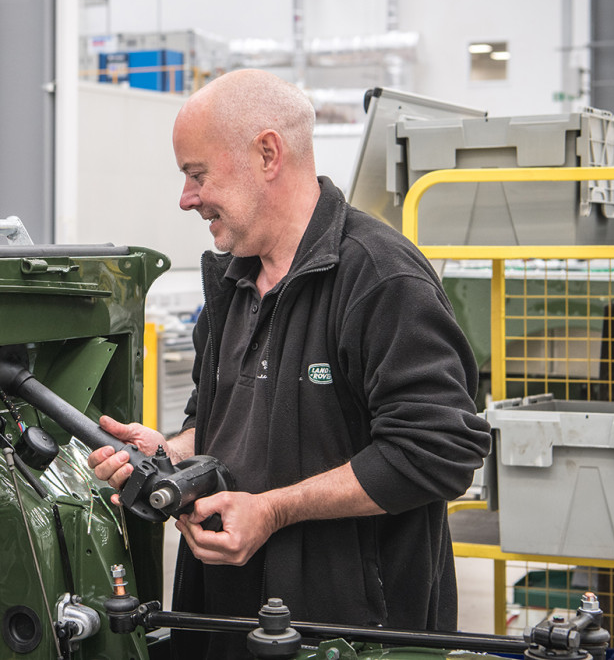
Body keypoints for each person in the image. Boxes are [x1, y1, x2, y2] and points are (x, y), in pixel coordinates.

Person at [88, 69, 491, 659]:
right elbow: (220, 422)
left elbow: (437, 452)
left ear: (267, 154)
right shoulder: (232, 285)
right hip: (228, 621)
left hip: (349, 637)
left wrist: (272, 511)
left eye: (197, 174)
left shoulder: (381, 278)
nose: (186, 198)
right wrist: (168, 452)